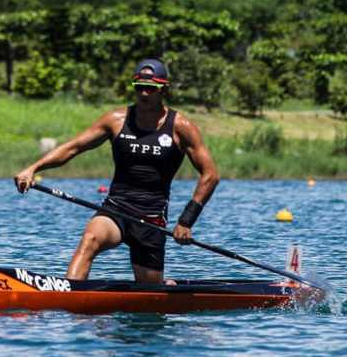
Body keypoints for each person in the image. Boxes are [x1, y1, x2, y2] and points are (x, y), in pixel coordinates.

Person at [14, 58, 219, 283]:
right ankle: (70, 294)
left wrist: (186, 221)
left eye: (151, 89)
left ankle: (165, 286)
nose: (144, 94)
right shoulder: (116, 120)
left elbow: (210, 176)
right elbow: (73, 148)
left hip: (151, 220)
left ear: (165, 91)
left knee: (151, 292)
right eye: (139, 88)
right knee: (90, 239)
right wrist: (33, 168)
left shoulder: (181, 128)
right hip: (116, 210)